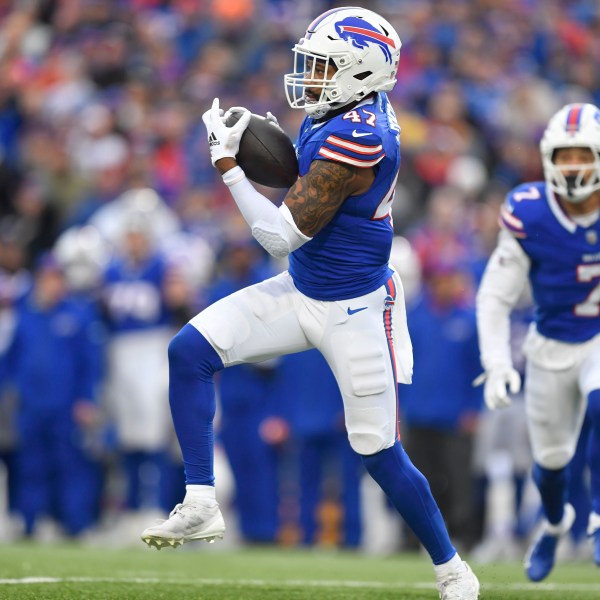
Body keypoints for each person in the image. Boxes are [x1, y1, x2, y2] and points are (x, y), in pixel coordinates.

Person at [141, 7, 479, 599]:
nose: (311, 75)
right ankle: (200, 500)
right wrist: (255, 142)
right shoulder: (344, 111)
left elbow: (278, 235)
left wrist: (228, 165)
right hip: (303, 288)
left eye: (324, 65)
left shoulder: (361, 134)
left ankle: (453, 568)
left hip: (353, 309)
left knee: (379, 453)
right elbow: (306, 185)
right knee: (189, 351)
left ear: (360, 72)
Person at [476, 102, 600, 581]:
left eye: (582, 155)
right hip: (549, 347)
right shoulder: (531, 210)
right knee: (550, 465)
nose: (573, 166)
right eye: (565, 156)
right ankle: (554, 525)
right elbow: (494, 297)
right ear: (549, 159)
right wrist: (497, 361)